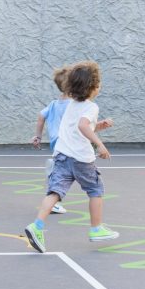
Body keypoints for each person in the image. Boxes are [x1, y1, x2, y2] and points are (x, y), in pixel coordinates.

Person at [24, 61, 118, 253]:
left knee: (55, 191)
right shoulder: (91, 107)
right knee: (95, 190)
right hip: (81, 159)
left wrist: (99, 126)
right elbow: (83, 126)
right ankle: (96, 228)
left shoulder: (71, 105)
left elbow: (81, 126)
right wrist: (99, 144)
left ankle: (37, 226)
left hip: (62, 155)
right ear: (91, 88)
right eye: (98, 84)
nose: (99, 87)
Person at [31, 65, 72, 214]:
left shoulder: (54, 104)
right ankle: (53, 197)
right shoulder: (73, 105)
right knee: (70, 171)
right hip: (68, 142)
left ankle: (54, 174)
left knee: (64, 169)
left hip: (57, 142)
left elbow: (41, 116)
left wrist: (38, 135)